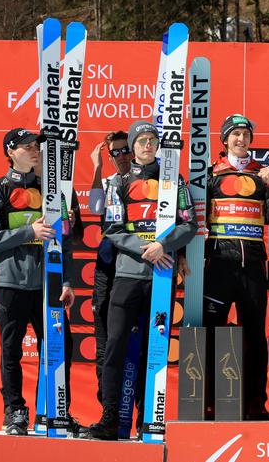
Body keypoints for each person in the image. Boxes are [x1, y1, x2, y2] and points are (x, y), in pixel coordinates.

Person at [88, 120, 197, 439]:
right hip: (126, 276)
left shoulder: (173, 181)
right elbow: (111, 227)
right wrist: (145, 248)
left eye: (152, 140)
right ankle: (110, 417)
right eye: (141, 141)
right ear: (133, 147)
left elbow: (189, 223)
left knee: (155, 348)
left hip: (162, 277)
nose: (147, 145)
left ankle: (149, 419)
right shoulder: (119, 183)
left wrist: (165, 245)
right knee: (115, 346)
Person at [0, 128, 75, 436]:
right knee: (11, 350)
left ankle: (56, 412)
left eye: (36, 146)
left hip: (49, 282)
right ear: (11, 152)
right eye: (27, 146)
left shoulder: (52, 191)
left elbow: (65, 240)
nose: (34, 150)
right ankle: (14, 411)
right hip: (11, 282)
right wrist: (28, 232)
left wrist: (68, 280)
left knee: (61, 347)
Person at [203, 114, 269, 420]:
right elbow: (197, 218)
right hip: (218, 266)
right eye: (235, 134)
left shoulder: (262, 174)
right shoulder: (210, 173)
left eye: (245, 134)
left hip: (253, 266)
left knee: (254, 336)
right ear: (225, 140)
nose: (241, 139)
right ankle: (210, 402)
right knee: (211, 335)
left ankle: (256, 403)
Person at [87, 131, 134, 403]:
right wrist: (96, 168)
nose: (122, 156)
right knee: (105, 342)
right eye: (115, 152)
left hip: (137, 267)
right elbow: (95, 207)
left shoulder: (148, 180)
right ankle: (107, 406)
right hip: (108, 268)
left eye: (126, 149)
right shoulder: (106, 181)